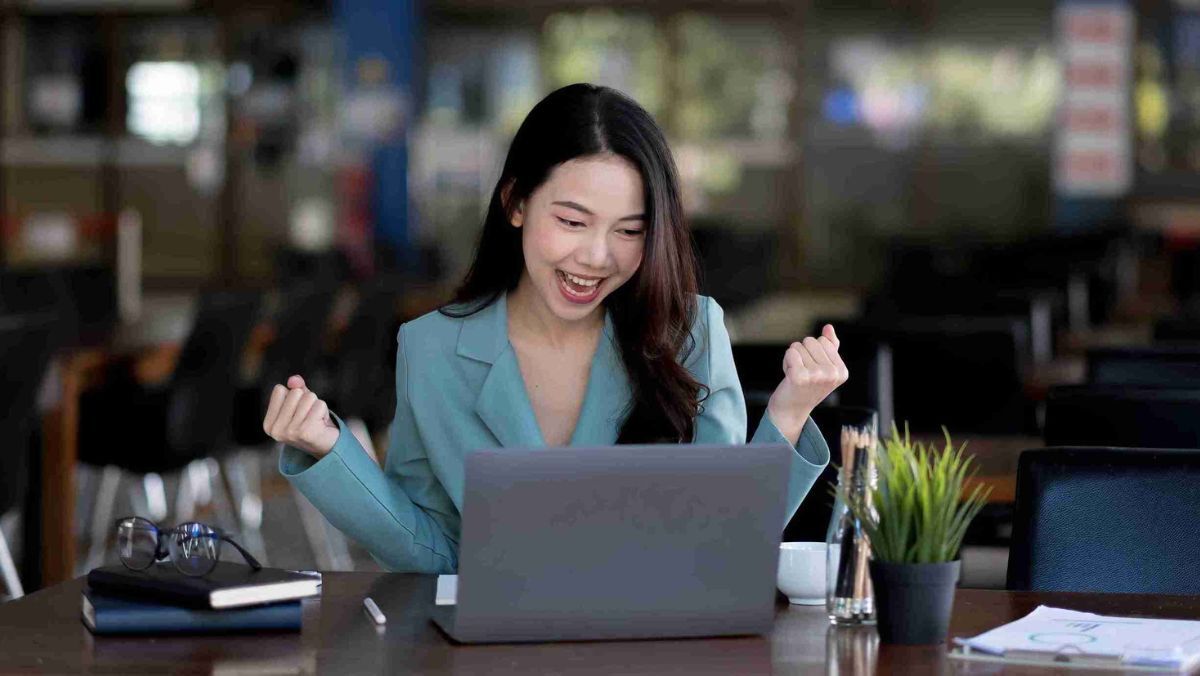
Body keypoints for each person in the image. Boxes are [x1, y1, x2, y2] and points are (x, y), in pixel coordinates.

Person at [264, 83, 848, 573]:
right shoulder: (433, 347)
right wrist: (330, 451)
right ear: (515, 203)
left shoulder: (690, 330)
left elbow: (725, 545)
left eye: (629, 231)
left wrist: (790, 413)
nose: (596, 256)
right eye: (572, 221)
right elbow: (434, 551)